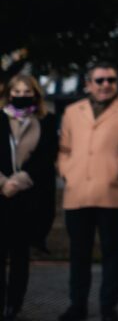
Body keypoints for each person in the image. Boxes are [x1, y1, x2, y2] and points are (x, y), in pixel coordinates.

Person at [58, 62, 118, 321]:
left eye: (111, 80)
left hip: (112, 192)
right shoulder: (73, 111)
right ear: (88, 84)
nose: (106, 85)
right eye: (100, 80)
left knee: (112, 253)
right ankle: (77, 305)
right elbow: (65, 149)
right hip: (77, 192)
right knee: (79, 253)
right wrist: (67, 171)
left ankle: (108, 306)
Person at [0, 74, 57, 321]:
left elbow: (47, 157)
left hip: (27, 197)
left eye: (27, 91)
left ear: (35, 93)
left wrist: (19, 181)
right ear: (8, 93)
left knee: (20, 256)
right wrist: (3, 183)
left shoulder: (46, 121)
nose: (21, 96)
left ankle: (14, 304)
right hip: (1, 194)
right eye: (17, 91)